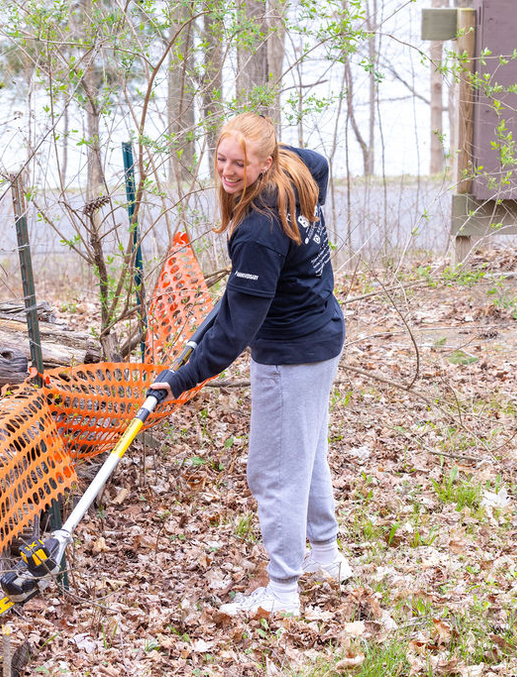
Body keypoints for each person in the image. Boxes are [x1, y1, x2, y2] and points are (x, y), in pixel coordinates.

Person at [150, 112, 351, 617]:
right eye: (222, 159)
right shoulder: (297, 172)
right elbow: (320, 162)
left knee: (274, 472)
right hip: (321, 335)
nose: (227, 171)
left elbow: (235, 330)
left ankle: (282, 591)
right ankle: (326, 558)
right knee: (306, 454)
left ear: (264, 163)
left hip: (292, 354)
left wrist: (181, 380)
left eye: (239, 163)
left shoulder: (259, 229)